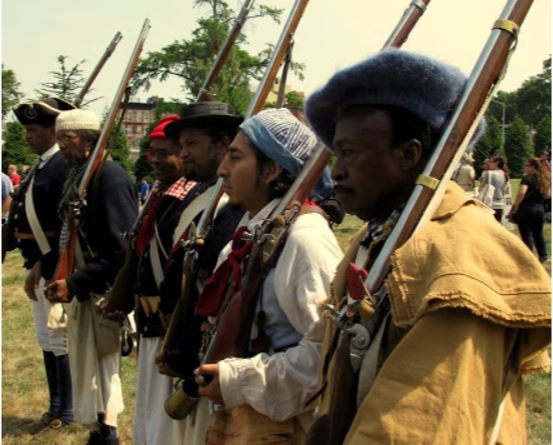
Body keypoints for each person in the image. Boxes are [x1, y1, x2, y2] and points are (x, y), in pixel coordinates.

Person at [303, 49, 551, 444]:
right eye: (336, 154)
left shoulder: (458, 254)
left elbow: (418, 428)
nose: (336, 171)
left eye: (349, 152)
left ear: (408, 155)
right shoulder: (385, 233)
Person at [196, 108, 343, 443]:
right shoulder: (253, 232)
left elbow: (326, 356)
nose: (222, 170)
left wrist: (239, 379)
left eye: (235, 158)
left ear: (272, 169)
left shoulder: (304, 240)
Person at [153, 101, 245, 444]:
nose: (183, 154)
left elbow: (210, 293)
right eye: (183, 145)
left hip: (198, 353)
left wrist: (183, 353)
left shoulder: (228, 207)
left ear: (221, 147)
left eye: (192, 144)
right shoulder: (202, 197)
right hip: (177, 342)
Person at [104, 115, 199, 445]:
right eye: (152, 153)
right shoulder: (161, 194)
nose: (156, 160)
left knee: (165, 422)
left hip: (170, 323)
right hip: (150, 322)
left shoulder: (190, 199)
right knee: (148, 410)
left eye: (165, 152)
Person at [45, 108, 138, 445]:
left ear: (87, 141)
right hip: (85, 286)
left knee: (103, 368)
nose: (62, 147)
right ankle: (100, 430)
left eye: (66, 139)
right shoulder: (82, 175)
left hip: (102, 290)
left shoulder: (109, 178)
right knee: (90, 367)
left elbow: (120, 251)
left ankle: (108, 433)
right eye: (59, 139)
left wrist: (75, 282)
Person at [9, 97, 76, 432]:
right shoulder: (41, 166)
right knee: (46, 340)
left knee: (59, 340)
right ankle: (54, 408)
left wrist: (43, 263)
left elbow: (66, 225)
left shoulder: (62, 167)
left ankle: (66, 412)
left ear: (54, 130)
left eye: (34, 130)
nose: (28, 136)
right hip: (39, 266)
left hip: (56, 268)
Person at [509, 157, 550, 263]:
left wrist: (516, 205)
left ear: (533, 167)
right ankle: (543, 255)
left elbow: (522, 192)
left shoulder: (527, 178)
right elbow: (548, 195)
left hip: (526, 208)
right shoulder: (544, 179)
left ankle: (529, 258)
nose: (524, 167)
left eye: (526, 165)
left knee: (526, 234)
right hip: (539, 209)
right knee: (538, 233)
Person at [478, 154, 509, 222]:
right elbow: (505, 190)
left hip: (489, 204)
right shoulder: (504, 174)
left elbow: (480, 188)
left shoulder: (488, 173)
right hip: (500, 205)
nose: (489, 164)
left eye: (491, 162)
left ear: (497, 163)